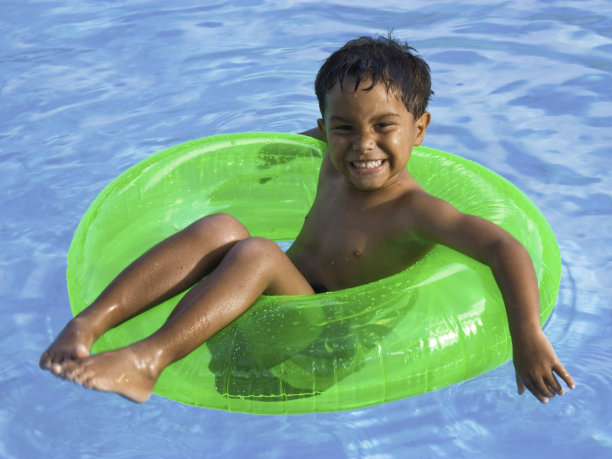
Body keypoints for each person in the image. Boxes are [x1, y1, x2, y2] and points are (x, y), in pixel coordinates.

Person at [39, 35, 575, 404]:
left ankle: (146, 362)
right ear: (325, 125)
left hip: (312, 357)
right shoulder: (330, 158)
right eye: (344, 129)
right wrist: (274, 156)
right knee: (222, 227)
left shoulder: (416, 212)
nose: (364, 145)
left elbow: (504, 247)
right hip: (263, 323)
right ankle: (88, 325)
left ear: (420, 128)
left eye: (384, 126)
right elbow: (319, 137)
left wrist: (526, 336)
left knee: (256, 250)